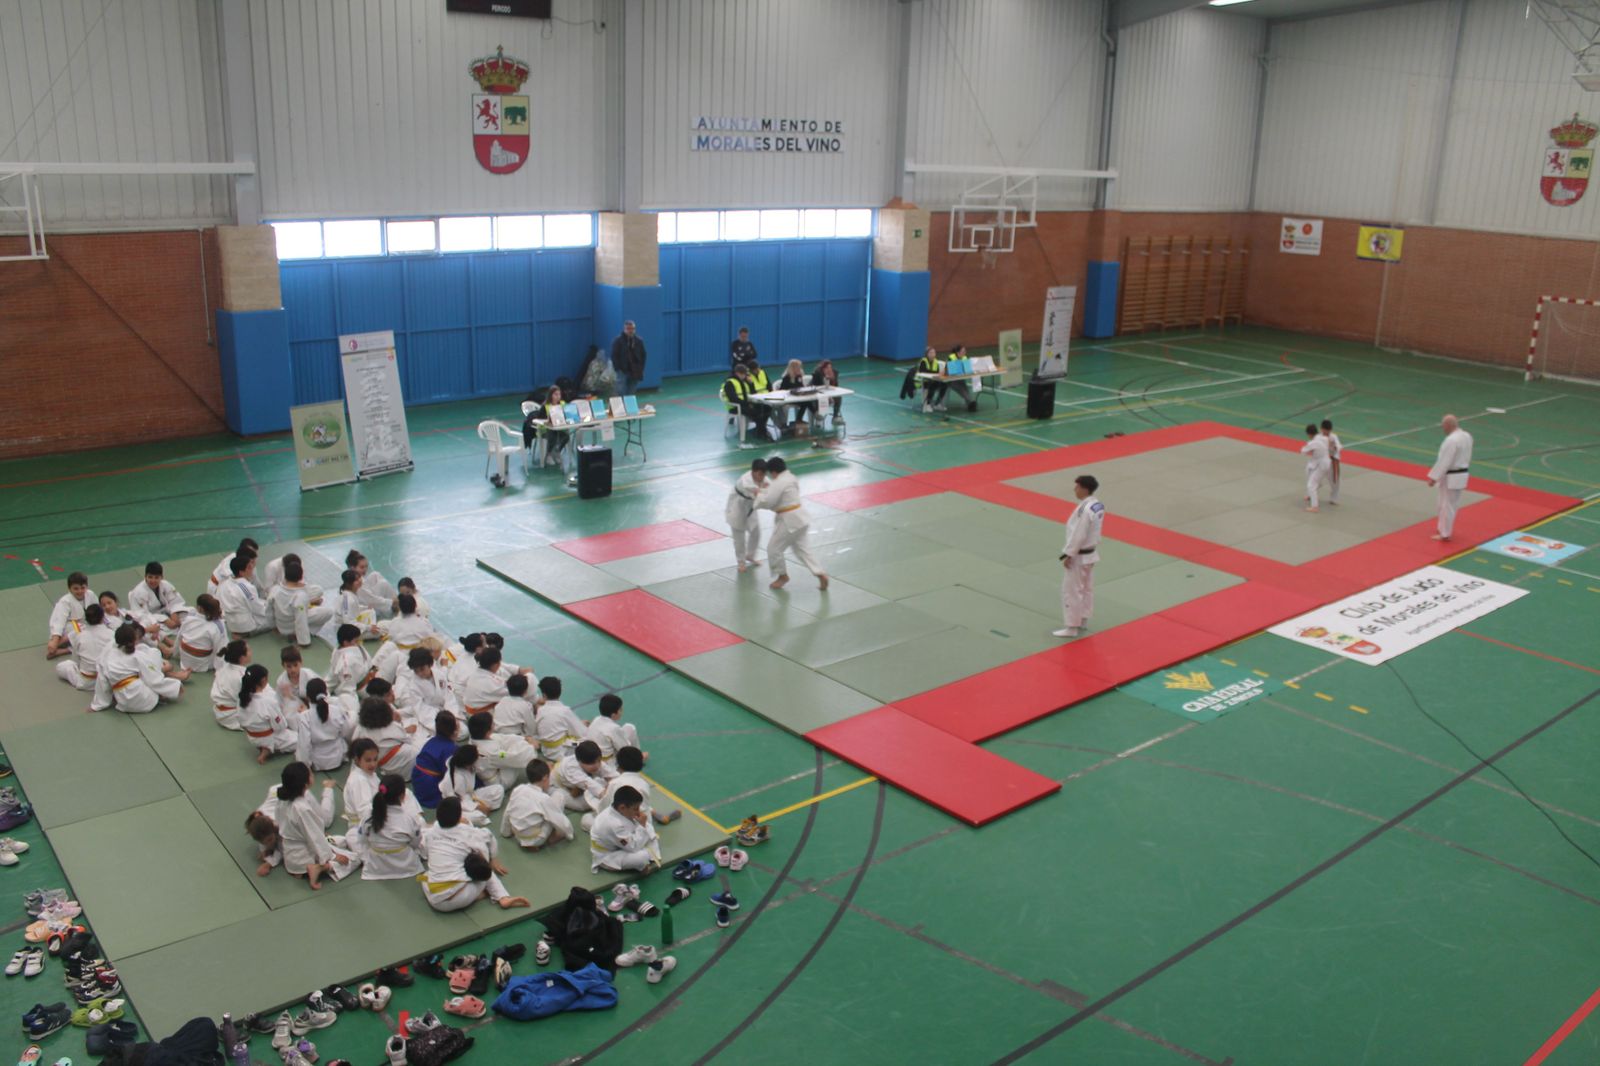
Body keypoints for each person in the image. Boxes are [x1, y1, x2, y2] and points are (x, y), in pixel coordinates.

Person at [420, 798, 529, 912]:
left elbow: (426, 849)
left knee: (430, 873)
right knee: (480, 866)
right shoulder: (468, 833)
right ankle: (502, 897)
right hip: (459, 899)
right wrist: (493, 859)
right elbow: (489, 836)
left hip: (433, 898)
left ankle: (480, 893)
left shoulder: (431, 832)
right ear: (459, 817)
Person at [273, 762, 354, 890]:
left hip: (291, 855)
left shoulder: (282, 798)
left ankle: (308, 868)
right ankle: (319, 868)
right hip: (304, 858)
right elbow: (314, 837)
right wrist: (332, 856)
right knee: (354, 858)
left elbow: (280, 823)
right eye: (310, 773)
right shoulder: (302, 808)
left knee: (342, 840)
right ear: (306, 784)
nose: (312, 774)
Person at [755, 457, 828, 591]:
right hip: (801, 518)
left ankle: (782, 576)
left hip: (790, 521)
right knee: (803, 550)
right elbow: (780, 497)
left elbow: (769, 502)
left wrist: (758, 495)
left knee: (773, 549)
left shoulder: (779, 482)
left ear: (774, 472)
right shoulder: (791, 477)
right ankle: (820, 573)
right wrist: (764, 491)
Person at [90, 622, 187, 713]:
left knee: (143, 669)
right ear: (133, 639)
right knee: (151, 661)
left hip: (122, 701)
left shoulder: (108, 656)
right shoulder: (137, 655)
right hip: (144, 699)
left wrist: (98, 704)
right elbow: (154, 679)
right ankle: (162, 693)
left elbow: (102, 682)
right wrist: (175, 687)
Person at [1056, 474, 1104, 639]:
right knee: (1086, 589)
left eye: (1077, 487)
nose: (1074, 490)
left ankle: (1071, 627)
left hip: (1080, 555)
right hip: (1090, 554)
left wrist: (1068, 554)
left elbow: (1079, 533)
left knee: (1071, 590)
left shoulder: (1085, 509)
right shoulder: (1097, 505)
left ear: (1084, 488)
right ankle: (1083, 619)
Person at [352, 773, 425, 880]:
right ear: (403, 795)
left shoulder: (368, 816)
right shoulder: (409, 818)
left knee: (351, 834)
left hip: (375, 867)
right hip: (406, 866)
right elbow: (415, 842)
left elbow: (361, 839)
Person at [499, 760, 573, 851]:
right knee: (559, 797)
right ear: (545, 778)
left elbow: (508, 812)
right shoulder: (543, 799)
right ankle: (552, 838)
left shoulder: (518, 789)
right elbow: (559, 819)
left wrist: (505, 832)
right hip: (536, 839)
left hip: (517, 836)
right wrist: (569, 833)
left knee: (538, 811)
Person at [599, 746, 680, 825]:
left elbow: (604, 808)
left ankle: (654, 814)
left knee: (588, 819)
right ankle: (655, 814)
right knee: (641, 806)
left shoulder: (614, 783)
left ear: (618, 765)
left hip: (622, 827)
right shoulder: (644, 784)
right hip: (644, 823)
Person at [588, 786, 661, 873]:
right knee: (642, 857)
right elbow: (633, 847)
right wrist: (642, 826)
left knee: (648, 828)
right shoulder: (614, 824)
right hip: (608, 855)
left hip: (622, 844)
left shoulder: (618, 810)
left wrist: (643, 826)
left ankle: (646, 855)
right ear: (622, 807)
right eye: (635, 809)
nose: (638, 811)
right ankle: (644, 861)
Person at [1428, 413, 1474, 541]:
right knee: (1446, 504)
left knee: (1447, 505)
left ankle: (1445, 534)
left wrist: (1433, 477)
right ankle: (1442, 528)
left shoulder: (1451, 440)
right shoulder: (1467, 436)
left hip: (1451, 476)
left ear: (1448, 425)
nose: (1443, 428)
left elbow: (1445, 461)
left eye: (1443, 425)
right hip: (1461, 473)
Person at [239, 664, 297, 764]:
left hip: (252, 736)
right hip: (269, 737)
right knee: (303, 739)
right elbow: (281, 727)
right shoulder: (267, 702)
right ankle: (269, 747)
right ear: (263, 680)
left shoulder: (242, 697)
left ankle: (266, 746)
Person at [466, 711, 539, 790]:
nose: (494, 725)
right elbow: (511, 757)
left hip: (494, 765)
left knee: (513, 742)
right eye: (492, 724)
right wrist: (531, 747)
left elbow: (503, 738)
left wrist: (525, 738)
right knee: (517, 756)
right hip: (498, 782)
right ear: (488, 731)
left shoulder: (474, 739)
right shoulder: (491, 753)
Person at [295, 679, 354, 772]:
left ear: (308, 697)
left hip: (317, 761)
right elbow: (346, 730)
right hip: (338, 756)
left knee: (298, 750)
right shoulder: (337, 710)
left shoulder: (305, 717)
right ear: (326, 693)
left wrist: (306, 765)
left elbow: (304, 744)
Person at [269, 557, 331, 646]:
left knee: (316, 591)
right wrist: (304, 642)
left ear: (285, 575)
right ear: (300, 576)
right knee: (328, 612)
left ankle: (295, 633)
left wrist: (273, 627)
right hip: (290, 627)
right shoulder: (300, 596)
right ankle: (297, 635)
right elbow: (300, 619)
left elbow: (268, 610)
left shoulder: (275, 589)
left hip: (280, 625)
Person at [354, 695, 420, 776]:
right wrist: (400, 723)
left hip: (383, 766)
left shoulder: (360, 729)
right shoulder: (392, 726)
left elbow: (355, 745)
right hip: (407, 761)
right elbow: (408, 740)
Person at [439, 744, 505, 825]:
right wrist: (477, 806)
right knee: (479, 817)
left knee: (499, 789)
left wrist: (503, 754)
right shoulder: (457, 778)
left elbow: (493, 759)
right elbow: (459, 801)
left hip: (471, 795)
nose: (478, 759)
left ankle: (485, 808)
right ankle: (482, 810)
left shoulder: (470, 762)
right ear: (468, 764)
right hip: (457, 804)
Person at [55, 602, 112, 691]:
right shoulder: (111, 634)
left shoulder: (80, 635)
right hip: (108, 680)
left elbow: (75, 660)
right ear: (102, 617)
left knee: (62, 666)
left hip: (87, 681)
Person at [726, 459, 768, 572]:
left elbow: (769, 489)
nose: (762, 477)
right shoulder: (746, 482)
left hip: (750, 507)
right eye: (760, 474)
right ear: (753, 472)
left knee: (756, 532)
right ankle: (741, 562)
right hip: (737, 508)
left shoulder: (763, 478)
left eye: (764, 474)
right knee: (739, 538)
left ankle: (750, 556)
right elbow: (760, 495)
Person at [412, 710, 459, 810]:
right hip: (432, 788)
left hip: (417, 781)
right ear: (454, 730)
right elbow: (451, 776)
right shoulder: (450, 749)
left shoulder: (431, 741)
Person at [534, 676, 589, 761]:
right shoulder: (564, 711)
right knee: (586, 741)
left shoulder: (541, 710)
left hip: (546, 750)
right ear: (561, 691)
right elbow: (582, 733)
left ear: (544, 695)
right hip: (562, 750)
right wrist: (582, 725)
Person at [551, 740, 611, 816]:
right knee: (584, 804)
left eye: (599, 761)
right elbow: (592, 786)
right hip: (558, 787)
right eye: (592, 763)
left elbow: (612, 775)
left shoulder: (591, 759)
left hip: (575, 785)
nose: (597, 765)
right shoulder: (572, 768)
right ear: (579, 761)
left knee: (603, 783)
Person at [218, 554, 272, 637]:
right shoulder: (246, 588)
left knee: (262, 603)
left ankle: (240, 632)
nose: (252, 570)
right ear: (241, 572)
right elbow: (257, 608)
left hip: (231, 623)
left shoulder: (224, 584)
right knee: (275, 618)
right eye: (249, 568)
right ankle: (246, 634)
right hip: (246, 625)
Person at [45, 571, 94, 660]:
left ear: (86, 586)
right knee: (83, 629)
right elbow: (59, 621)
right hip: (68, 628)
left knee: (94, 637)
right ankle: (59, 644)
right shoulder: (65, 601)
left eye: (82, 588)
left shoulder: (90, 594)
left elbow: (97, 609)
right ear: (69, 589)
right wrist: (55, 640)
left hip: (84, 625)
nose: (80, 591)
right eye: (76, 588)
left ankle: (63, 651)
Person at [128, 562, 187, 633]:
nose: (153, 581)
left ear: (162, 577)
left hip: (167, 612)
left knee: (188, 615)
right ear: (145, 576)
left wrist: (174, 613)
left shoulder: (165, 584)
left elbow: (175, 601)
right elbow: (142, 614)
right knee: (151, 628)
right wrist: (165, 620)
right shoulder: (138, 592)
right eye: (150, 577)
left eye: (156, 577)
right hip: (152, 618)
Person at [589, 694, 645, 766]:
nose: (622, 711)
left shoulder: (596, 719)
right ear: (613, 714)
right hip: (608, 762)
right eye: (620, 710)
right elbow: (624, 748)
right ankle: (638, 758)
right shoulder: (613, 728)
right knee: (630, 728)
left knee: (627, 728)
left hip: (593, 755)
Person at [722, 362, 773, 442]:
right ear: (737, 373)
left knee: (767, 408)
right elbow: (733, 399)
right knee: (757, 413)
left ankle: (760, 429)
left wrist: (751, 384)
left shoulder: (744, 381)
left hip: (745, 404)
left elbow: (752, 393)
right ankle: (762, 432)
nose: (745, 376)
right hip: (736, 407)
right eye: (743, 374)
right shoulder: (730, 383)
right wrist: (747, 404)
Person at [210, 640, 251, 729]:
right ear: (241, 658)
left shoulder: (224, 667)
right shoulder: (241, 676)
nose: (251, 652)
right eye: (248, 650)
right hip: (233, 717)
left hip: (220, 712)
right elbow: (247, 701)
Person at [329, 623, 376, 697]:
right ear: (346, 642)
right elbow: (348, 689)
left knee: (390, 646)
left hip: (372, 671)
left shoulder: (349, 648)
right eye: (356, 641)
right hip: (364, 686)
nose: (358, 643)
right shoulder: (346, 663)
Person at [275, 645, 323, 715]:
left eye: (295, 665)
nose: (293, 670)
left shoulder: (309, 675)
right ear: (283, 665)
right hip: (296, 711)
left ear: (301, 662)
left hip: (315, 706)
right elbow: (279, 702)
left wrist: (309, 708)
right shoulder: (281, 681)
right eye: (289, 666)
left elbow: (322, 694)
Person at [493, 673, 537, 737]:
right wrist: (526, 736)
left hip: (498, 734)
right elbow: (531, 728)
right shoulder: (526, 705)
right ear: (525, 691)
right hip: (515, 736)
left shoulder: (501, 701)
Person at [777, 358, 815, 433]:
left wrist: (804, 390)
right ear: (793, 368)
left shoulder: (799, 377)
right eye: (798, 367)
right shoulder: (786, 378)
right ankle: (814, 412)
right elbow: (782, 391)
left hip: (797, 398)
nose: (800, 369)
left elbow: (801, 387)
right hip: (788, 400)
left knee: (806, 402)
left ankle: (799, 419)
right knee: (806, 402)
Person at [1301, 423, 1332, 513]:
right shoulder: (1322, 437)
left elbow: (1303, 451)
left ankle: (1315, 506)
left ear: (1309, 434)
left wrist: (1311, 448)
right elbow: (1327, 440)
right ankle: (1311, 494)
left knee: (1311, 485)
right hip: (1323, 462)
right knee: (1309, 471)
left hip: (1321, 464)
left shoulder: (1313, 442)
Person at [611, 319, 647, 394]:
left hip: (635, 370)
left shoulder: (639, 341)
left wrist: (641, 368)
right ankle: (620, 405)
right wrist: (617, 368)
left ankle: (629, 405)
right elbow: (614, 355)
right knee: (620, 390)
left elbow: (643, 355)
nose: (630, 331)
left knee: (631, 391)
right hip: (622, 370)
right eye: (628, 329)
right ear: (624, 329)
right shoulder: (618, 341)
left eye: (632, 329)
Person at [811, 359, 843, 423]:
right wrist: (825, 378)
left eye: (830, 367)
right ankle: (819, 415)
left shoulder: (834, 373)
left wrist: (833, 379)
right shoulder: (817, 373)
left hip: (830, 392)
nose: (829, 369)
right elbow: (816, 386)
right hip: (819, 393)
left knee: (838, 397)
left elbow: (836, 386)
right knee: (823, 399)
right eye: (826, 367)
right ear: (822, 368)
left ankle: (835, 416)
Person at [917, 347, 947, 413]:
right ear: (927, 354)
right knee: (933, 386)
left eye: (934, 352)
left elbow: (936, 371)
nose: (932, 354)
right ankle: (927, 403)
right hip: (923, 381)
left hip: (932, 380)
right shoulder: (923, 361)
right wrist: (936, 373)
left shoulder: (936, 361)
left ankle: (938, 403)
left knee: (944, 384)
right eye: (931, 352)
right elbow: (923, 371)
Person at [1321, 419, 1343, 506]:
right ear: (1322, 429)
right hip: (1322, 460)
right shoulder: (1319, 437)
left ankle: (1333, 498)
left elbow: (1339, 446)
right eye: (1325, 430)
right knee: (1314, 477)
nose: (1326, 432)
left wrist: (1335, 447)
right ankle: (1310, 493)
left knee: (1335, 480)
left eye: (1328, 431)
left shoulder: (1333, 437)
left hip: (1333, 461)